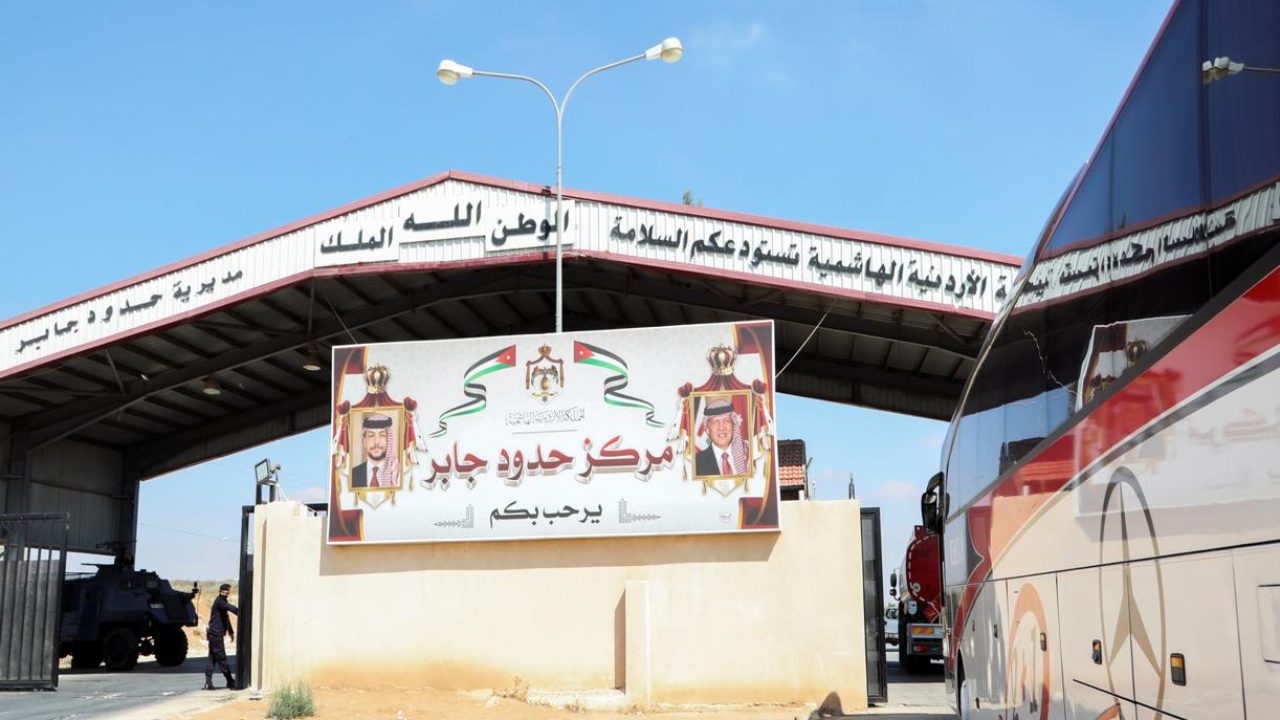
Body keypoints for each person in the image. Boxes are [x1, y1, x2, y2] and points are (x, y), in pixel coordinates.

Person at [695, 396, 749, 477]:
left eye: (726, 420)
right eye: (715, 422)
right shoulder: (696, 463)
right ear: (707, 429)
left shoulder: (748, 457)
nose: (721, 427)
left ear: (733, 425)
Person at [204, 583, 239, 690]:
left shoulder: (223, 601)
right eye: (224, 592)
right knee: (221, 658)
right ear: (220, 591)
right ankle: (230, 681)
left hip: (215, 634)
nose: (226, 594)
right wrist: (241, 611)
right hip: (215, 634)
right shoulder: (220, 602)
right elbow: (230, 608)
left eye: (227, 592)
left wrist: (231, 631)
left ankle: (208, 681)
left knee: (213, 658)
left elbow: (226, 617)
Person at [350, 413, 399, 489]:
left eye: (382, 435)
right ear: (364, 441)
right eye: (371, 435)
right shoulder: (352, 474)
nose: (376, 442)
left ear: (389, 440)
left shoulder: (397, 473)